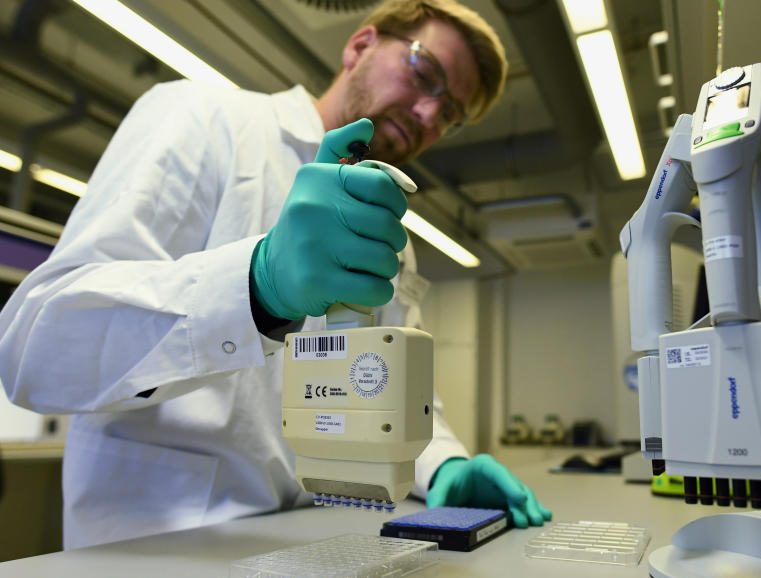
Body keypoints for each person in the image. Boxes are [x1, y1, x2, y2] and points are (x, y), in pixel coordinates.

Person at [0, 0, 551, 549]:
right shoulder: (204, 118)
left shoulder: (385, 230)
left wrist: (444, 465)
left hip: (313, 556)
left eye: (451, 114)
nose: (430, 116)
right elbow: (34, 351)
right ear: (360, 45)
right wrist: (256, 287)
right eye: (424, 73)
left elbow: (388, 384)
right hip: (155, 557)